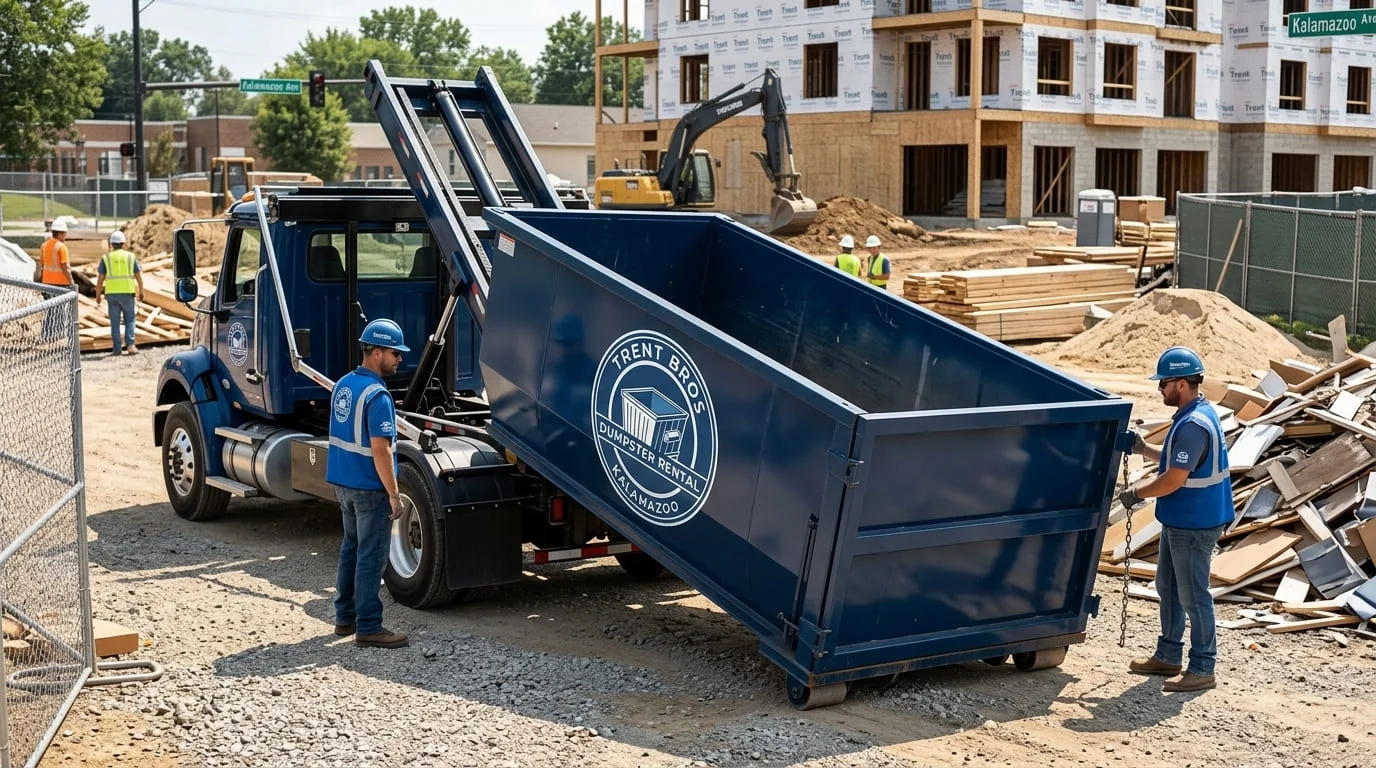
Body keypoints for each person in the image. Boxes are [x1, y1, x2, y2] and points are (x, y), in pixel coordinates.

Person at [1118, 346, 1233, 693]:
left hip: (1195, 524)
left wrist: (1137, 493)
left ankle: (1202, 666)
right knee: (1167, 587)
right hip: (1182, 519)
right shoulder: (1192, 415)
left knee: (1195, 595)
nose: (1160, 390)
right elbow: (1177, 461)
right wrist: (1143, 449)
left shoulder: (1194, 425)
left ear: (1182, 384)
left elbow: (1173, 479)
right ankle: (1168, 654)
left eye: (1164, 384)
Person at [326, 318, 411, 649]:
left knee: (351, 548)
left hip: (343, 483)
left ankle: (344, 618)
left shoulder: (343, 385)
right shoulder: (378, 396)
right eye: (395, 353)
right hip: (368, 486)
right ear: (376, 352)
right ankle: (370, 627)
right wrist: (394, 494)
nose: (400, 360)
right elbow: (381, 449)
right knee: (371, 555)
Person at [95, 230, 145, 356]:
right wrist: (141, 291)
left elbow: (100, 279)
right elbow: (138, 276)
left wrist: (98, 295)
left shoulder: (106, 258)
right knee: (130, 320)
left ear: (111, 244)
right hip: (128, 293)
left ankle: (117, 349)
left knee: (115, 322)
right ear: (123, 243)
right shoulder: (130, 257)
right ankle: (131, 345)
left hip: (112, 295)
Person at [35, 219, 73, 289]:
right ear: (60, 234)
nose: (65, 236)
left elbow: (42, 264)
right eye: (65, 234)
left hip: (46, 282)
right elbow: (65, 266)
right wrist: (71, 281)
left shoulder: (44, 245)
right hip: (61, 284)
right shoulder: (62, 247)